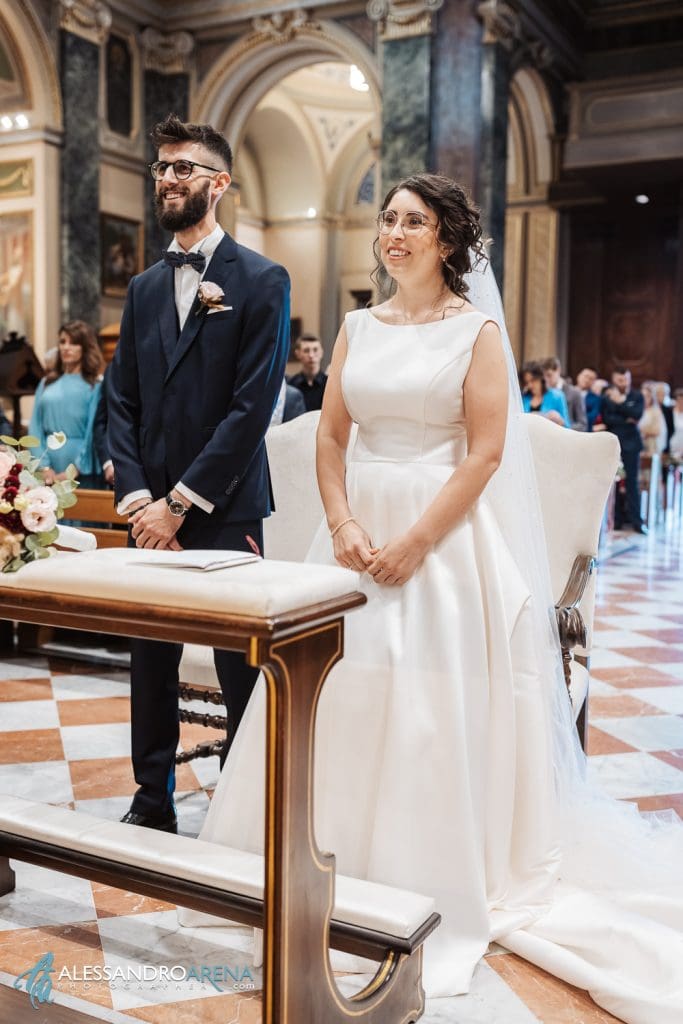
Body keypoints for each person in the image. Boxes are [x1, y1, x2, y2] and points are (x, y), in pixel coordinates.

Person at [183, 174, 682, 1023]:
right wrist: (339, 522)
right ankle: (304, 865)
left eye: (412, 222)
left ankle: (423, 869)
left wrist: (415, 540)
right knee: (329, 694)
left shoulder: (476, 331)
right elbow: (332, 435)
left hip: (442, 543)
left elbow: (485, 454)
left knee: (422, 706)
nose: (394, 233)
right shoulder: (357, 327)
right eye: (386, 219)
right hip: (349, 540)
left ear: (448, 241)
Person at [108, 113, 290, 834]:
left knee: (239, 664)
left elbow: (252, 409)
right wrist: (138, 498)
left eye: (183, 168)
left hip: (225, 506)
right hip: (146, 510)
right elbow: (119, 399)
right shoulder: (145, 287)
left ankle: (243, 814)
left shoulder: (261, 280)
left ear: (218, 184)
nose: (167, 179)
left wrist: (179, 506)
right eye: (161, 168)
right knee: (148, 661)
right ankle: (150, 799)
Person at [28, 320, 104, 487]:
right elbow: (35, 427)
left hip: (82, 468)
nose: (66, 347)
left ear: (85, 347)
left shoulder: (95, 385)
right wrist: (44, 466)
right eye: (62, 342)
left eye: (74, 342)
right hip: (47, 466)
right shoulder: (46, 383)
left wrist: (74, 469)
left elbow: (93, 432)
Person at [601, 368, 646, 533]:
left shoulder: (637, 396)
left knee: (632, 483)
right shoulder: (607, 397)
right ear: (614, 380)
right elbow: (608, 419)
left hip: (632, 445)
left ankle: (637, 522)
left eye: (626, 379)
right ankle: (617, 520)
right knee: (612, 481)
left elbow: (637, 414)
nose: (623, 383)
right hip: (613, 444)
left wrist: (620, 403)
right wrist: (626, 417)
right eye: (620, 380)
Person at [542, 356, 587, 431]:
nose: (546, 379)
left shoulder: (574, 393)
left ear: (558, 370)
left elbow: (582, 424)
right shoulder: (541, 393)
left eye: (549, 375)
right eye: (543, 377)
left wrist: (564, 428)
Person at [521, 360, 570, 426]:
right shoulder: (524, 398)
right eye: (527, 382)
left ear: (541, 378)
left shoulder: (558, 396)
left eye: (533, 380)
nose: (530, 385)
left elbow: (568, 426)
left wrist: (559, 420)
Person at [287, 333, 327, 411]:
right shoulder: (290, 385)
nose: (311, 355)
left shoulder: (330, 384)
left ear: (321, 352)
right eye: (306, 351)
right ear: (297, 354)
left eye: (315, 350)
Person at [638, 383, 667, 455]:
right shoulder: (637, 410)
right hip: (638, 445)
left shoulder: (656, 411)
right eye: (642, 396)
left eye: (647, 396)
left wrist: (642, 430)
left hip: (651, 446)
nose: (644, 399)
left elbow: (657, 431)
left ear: (651, 397)